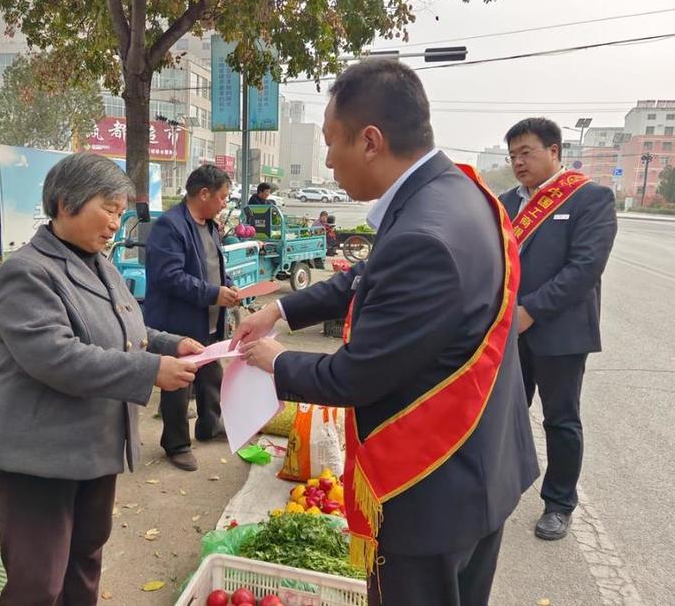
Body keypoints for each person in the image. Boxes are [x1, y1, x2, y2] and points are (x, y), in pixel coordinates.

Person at [232, 59, 539, 606]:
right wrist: (280, 310)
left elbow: (355, 376)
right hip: (480, 465)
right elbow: (367, 276)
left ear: (370, 141)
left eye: (331, 143)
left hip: (431, 485)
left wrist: (275, 361)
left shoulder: (424, 234)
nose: (327, 160)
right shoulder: (456, 195)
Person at [0, 153, 201, 606]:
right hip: (39, 455)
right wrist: (150, 371)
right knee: (38, 583)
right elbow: (57, 357)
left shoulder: (100, 263)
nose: (115, 224)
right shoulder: (27, 271)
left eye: (120, 213)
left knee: (85, 560)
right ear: (64, 204)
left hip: (94, 448)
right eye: (109, 209)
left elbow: (126, 326)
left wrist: (169, 344)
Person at [499, 118, 617, 540]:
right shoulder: (506, 203)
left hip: (560, 334)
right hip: (509, 331)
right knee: (505, 415)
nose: (518, 162)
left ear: (554, 151)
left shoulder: (591, 198)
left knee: (560, 420)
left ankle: (559, 504)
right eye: (512, 155)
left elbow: (584, 268)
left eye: (526, 152)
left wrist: (530, 311)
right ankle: (500, 491)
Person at [144, 164, 240, 471]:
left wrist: (227, 288)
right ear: (203, 193)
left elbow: (213, 267)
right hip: (178, 323)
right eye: (223, 197)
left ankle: (210, 425)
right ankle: (176, 444)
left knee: (212, 375)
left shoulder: (210, 225)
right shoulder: (169, 227)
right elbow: (168, 277)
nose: (225, 203)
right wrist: (213, 293)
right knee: (178, 385)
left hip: (208, 319)